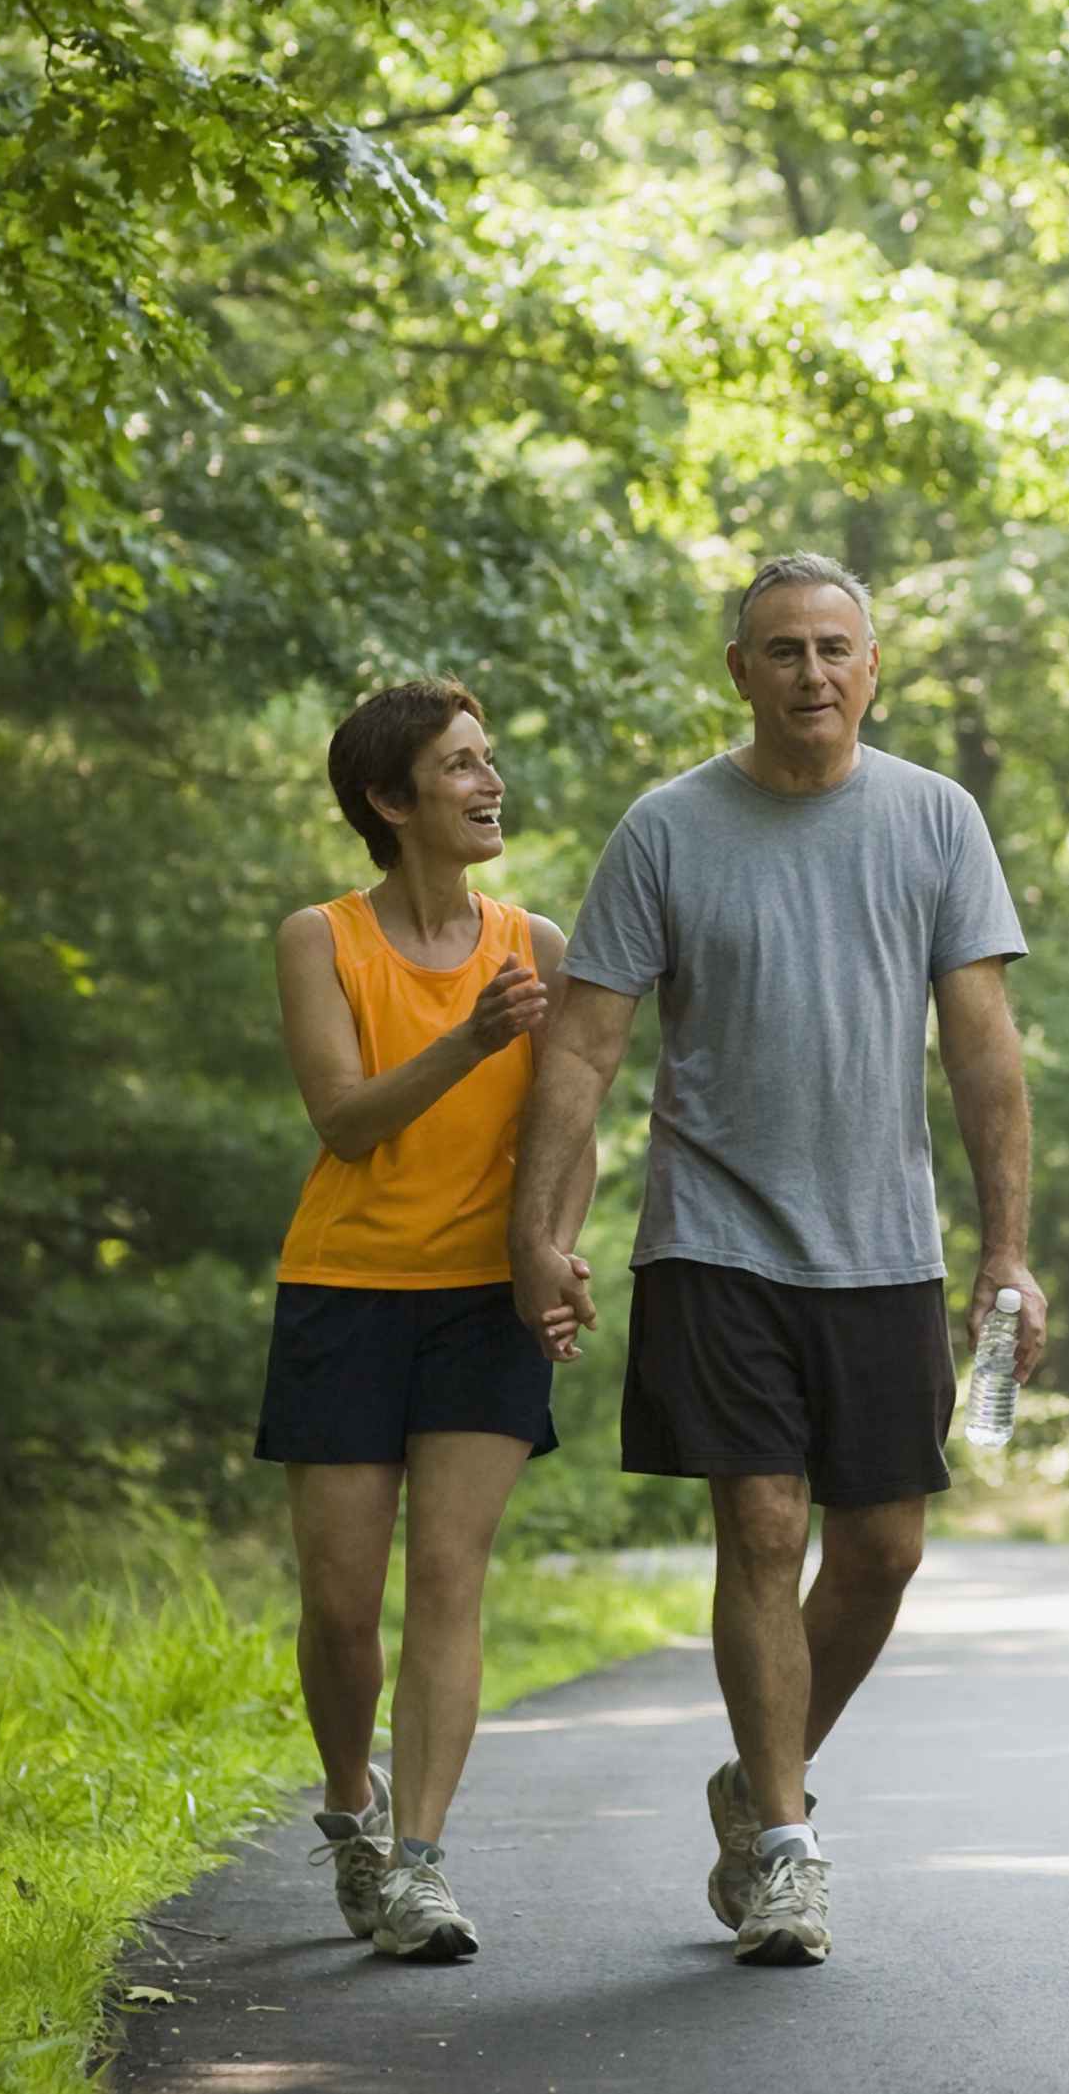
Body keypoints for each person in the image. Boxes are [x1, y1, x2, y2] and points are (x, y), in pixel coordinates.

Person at [507, 552, 1042, 1970]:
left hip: (881, 1249)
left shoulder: (935, 820)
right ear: (738, 672)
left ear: (872, 668)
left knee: (883, 1550)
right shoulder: (668, 830)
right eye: (782, 650)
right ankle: (789, 1855)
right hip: (715, 1236)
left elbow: (983, 1052)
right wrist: (538, 1229)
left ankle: (756, 1783)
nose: (811, 672)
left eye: (834, 648)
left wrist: (1009, 1255)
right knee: (761, 1525)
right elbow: (585, 1045)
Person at [263, 680, 596, 1963]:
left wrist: (551, 1253)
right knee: (343, 1601)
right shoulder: (320, 938)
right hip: (345, 1292)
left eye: (488, 759)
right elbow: (343, 1121)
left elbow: (574, 1137)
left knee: (448, 1579)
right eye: (459, 766)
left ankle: (421, 1866)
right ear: (389, 801)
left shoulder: (542, 946)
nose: (487, 782)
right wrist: (466, 1041)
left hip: (484, 1304)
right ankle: (351, 1807)